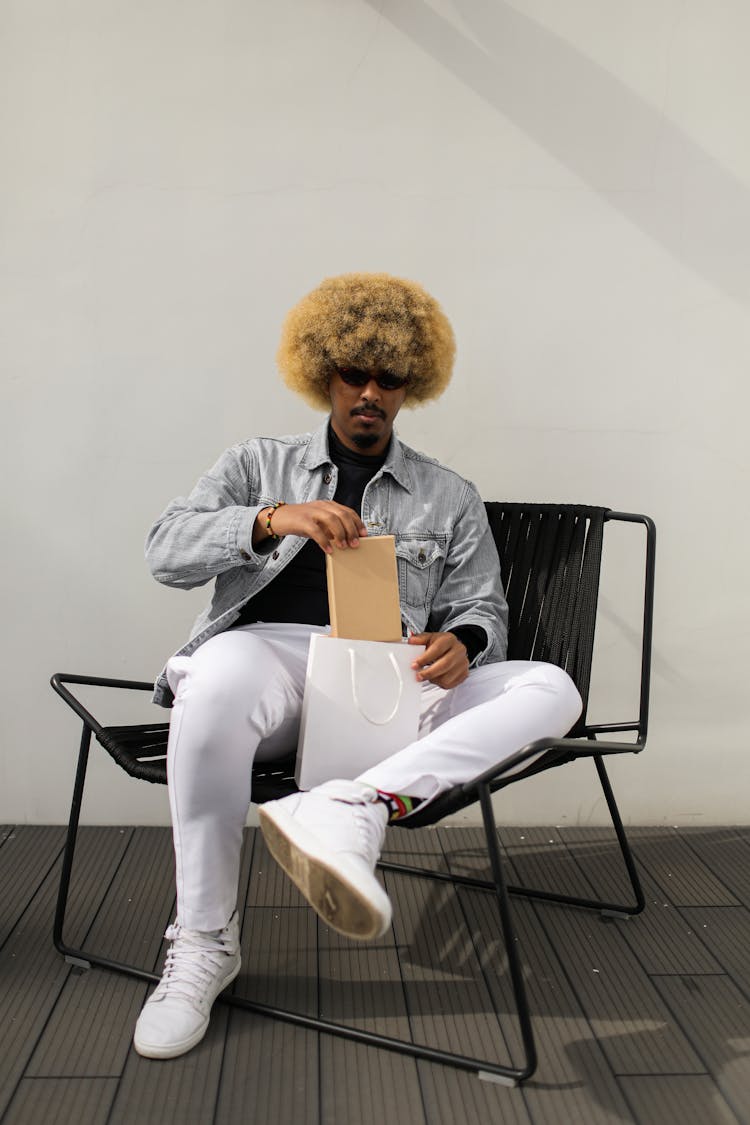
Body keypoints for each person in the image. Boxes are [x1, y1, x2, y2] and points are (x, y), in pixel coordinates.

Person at [133, 272, 582, 1059]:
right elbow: (165, 552)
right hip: (269, 666)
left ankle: (358, 804)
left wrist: (466, 644)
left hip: (387, 687)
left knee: (553, 688)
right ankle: (204, 939)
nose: (369, 391)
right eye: (354, 372)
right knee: (217, 674)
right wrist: (273, 520)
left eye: (390, 377)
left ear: (413, 384)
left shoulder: (449, 495)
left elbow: (485, 608)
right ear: (324, 373)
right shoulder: (256, 464)